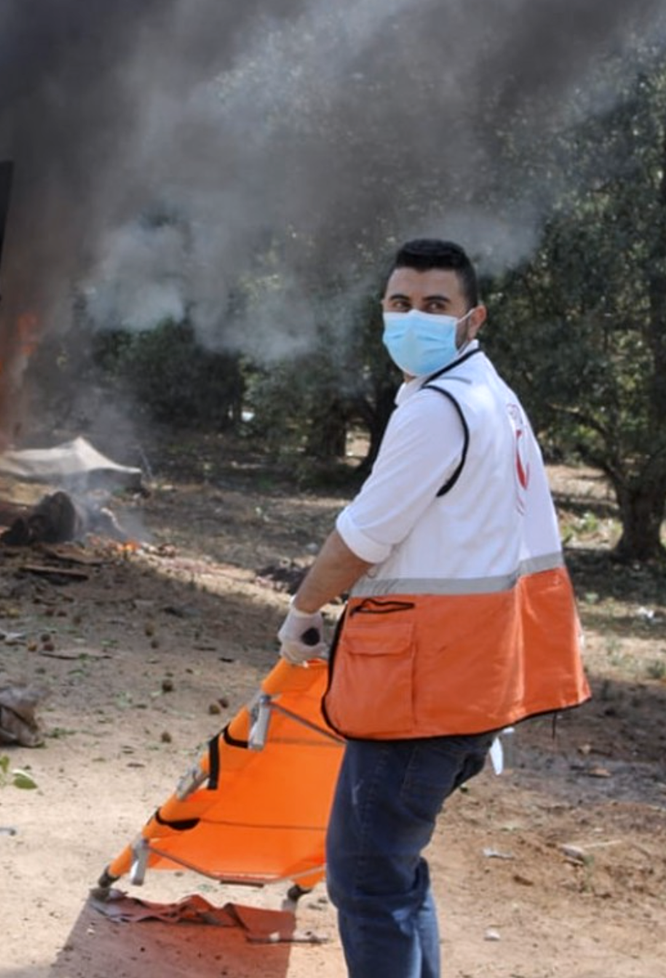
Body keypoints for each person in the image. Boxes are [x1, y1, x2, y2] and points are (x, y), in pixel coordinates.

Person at [275, 239, 589, 978]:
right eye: (399, 304)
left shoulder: (438, 411)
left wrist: (303, 611)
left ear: (471, 318)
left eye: (434, 306)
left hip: (425, 691)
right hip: (474, 683)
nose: (413, 318)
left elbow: (360, 537)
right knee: (395, 871)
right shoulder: (491, 394)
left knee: (366, 877)